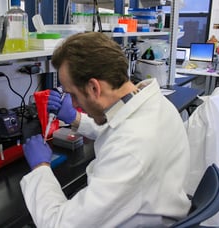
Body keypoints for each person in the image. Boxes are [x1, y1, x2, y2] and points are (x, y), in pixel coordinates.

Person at [20, 32, 191, 227]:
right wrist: (74, 118)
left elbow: (59, 224)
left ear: (94, 88)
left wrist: (40, 168)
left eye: (73, 95)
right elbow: (116, 128)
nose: (74, 103)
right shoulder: (152, 104)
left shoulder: (130, 149)